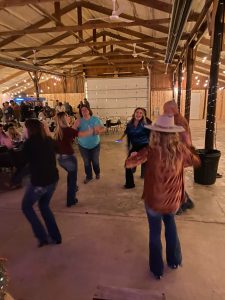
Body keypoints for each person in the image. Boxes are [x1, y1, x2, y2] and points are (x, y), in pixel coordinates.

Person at [125, 114, 200, 279]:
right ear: (173, 133)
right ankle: (174, 261)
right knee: (171, 226)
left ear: (156, 133)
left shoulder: (150, 151)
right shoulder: (180, 149)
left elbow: (129, 164)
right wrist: (182, 159)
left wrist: (131, 158)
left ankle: (157, 270)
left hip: (154, 200)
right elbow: (195, 161)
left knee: (154, 233)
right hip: (173, 201)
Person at [21, 119, 61, 247]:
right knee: (44, 206)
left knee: (26, 206)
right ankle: (55, 237)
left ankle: (42, 237)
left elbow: (23, 164)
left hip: (40, 182)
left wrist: (16, 179)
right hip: (52, 180)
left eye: (25, 128)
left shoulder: (28, 144)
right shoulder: (48, 140)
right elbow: (58, 148)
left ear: (29, 129)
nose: (23, 131)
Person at [55, 112, 93, 206]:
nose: (69, 117)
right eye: (67, 116)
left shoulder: (58, 130)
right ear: (64, 118)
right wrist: (91, 130)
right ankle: (71, 200)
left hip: (60, 158)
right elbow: (81, 134)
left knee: (70, 175)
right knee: (72, 179)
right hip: (69, 158)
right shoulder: (67, 130)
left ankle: (73, 188)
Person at [163, 100, 194, 213]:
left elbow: (186, 141)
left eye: (166, 109)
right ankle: (186, 202)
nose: (164, 112)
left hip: (177, 156)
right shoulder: (175, 119)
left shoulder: (179, 121)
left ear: (173, 109)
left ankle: (179, 206)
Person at [118, 107, 151, 188]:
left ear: (143, 115)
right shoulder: (130, 124)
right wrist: (120, 139)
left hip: (145, 146)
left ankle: (149, 183)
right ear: (134, 113)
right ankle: (130, 184)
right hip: (135, 146)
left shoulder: (146, 123)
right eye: (137, 112)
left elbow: (152, 135)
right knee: (128, 164)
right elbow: (126, 132)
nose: (138, 114)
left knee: (147, 165)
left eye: (141, 113)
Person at [74, 105, 105, 184]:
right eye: (82, 110)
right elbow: (73, 132)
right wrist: (75, 125)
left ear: (89, 110)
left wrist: (99, 131)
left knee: (95, 161)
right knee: (86, 162)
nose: (84, 111)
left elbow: (103, 128)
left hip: (95, 144)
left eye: (85, 109)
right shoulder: (79, 121)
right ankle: (89, 176)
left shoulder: (95, 119)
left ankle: (97, 173)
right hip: (83, 146)